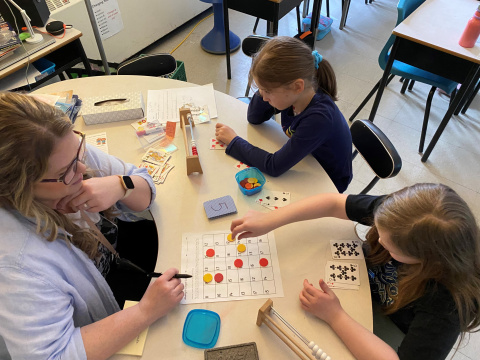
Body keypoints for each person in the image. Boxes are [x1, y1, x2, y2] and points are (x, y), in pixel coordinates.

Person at [0, 92, 184, 359]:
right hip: (102, 322)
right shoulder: (16, 266)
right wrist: (145, 312)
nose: (84, 167)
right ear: (21, 186)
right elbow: (54, 355)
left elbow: (145, 185)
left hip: (116, 271)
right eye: (67, 172)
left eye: (79, 151)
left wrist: (121, 185)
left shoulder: (62, 152)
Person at [229, 183, 480, 360]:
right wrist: (271, 220)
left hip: (385, 332)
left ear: (425, 260)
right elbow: (333, 203)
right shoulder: (401, 215)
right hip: (359, 286)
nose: (378, 241)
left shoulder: (448, 306)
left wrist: (335, 316)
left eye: (388, 244)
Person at [215, 36, 353, 193]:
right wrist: (264, 85)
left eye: (267, 91)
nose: (264, 97)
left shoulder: (319, 118)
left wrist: (233, 141)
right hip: (306, 160)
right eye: (261, 90)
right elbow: (254, 117)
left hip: (327, 183)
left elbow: (274, 166)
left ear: (297, 86)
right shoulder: (295, 96)